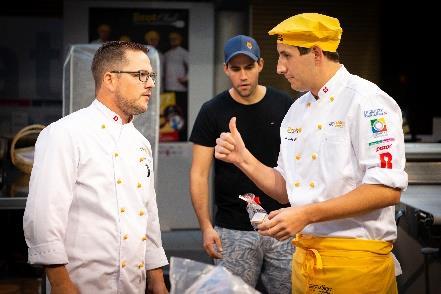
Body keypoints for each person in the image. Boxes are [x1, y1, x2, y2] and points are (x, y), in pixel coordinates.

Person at [214, 13, 408, 294]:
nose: (279, 68)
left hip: (355, 263)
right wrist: (243, 159)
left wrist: (305, 214)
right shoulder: (296, 110)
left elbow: (385, 190)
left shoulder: (367, 101)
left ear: (316, 54)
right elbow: (286, 191)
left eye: (286, 56)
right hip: (304, 260)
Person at [23, 41, 168, 294]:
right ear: (110, 79)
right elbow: (43, 216)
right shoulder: (64, 133)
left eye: (151, 75)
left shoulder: (141, 143)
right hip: (80, 285)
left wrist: (157, 280)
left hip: (132, 285)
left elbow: (149, 215)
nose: (151, 84)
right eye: (141, 75)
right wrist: (60, 283)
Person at [190, 35, 294, 293]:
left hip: (283, 224)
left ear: (260, 64)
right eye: (235, 69)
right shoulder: (212, 111)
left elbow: (303, 166)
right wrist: (205, 226)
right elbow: (199, 174)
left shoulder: (287, 106)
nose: (243, 75)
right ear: (226, 69)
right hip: (232, 228)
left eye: (248, 67)